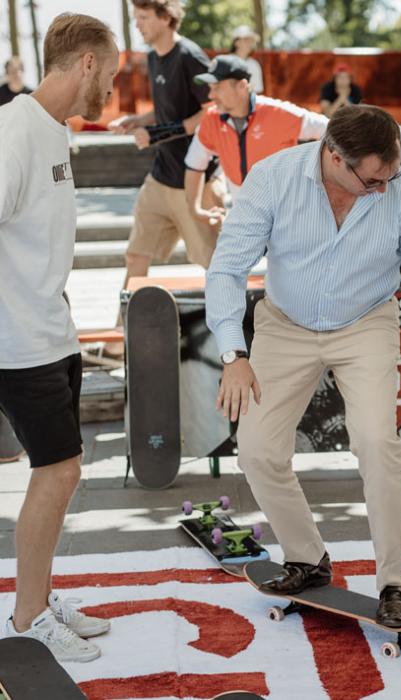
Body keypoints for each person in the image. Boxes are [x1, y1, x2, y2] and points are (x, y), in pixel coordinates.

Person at [206, 104, 401, 627]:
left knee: (378, 445)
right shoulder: (273, 178)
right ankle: (307, 558)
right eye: (374, 179)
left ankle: (393, 584)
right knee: (257, 451)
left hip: (366, 323)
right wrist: (233, 354)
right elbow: (226, 269)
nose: (385, 187)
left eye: (391, 174)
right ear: (334, 157)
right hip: (283, 325)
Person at [0, 13, 119, 661]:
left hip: (51, 330)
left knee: (61, 473)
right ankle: (26, 620)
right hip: (18, 341)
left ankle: (40, 597)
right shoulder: (15, 130)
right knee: (59, 471)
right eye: (113, 75)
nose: (112, 93)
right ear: (87, 65)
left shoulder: (49, 129)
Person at [108, 0, 225, 289]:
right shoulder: (153, 57)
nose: (138, 24)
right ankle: (125, 327)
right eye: (135, 18)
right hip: (160, 179)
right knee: (136, 255)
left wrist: (158, 133)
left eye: (144, 17)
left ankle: (231, 329)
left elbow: (214, 109)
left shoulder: (190, 56)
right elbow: (168, 110)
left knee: (217, 265)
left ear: (165, 18)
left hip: (197, 181)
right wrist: (138, 120)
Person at [184, 54, 328, 226]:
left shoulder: (277, 112)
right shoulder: (211, 120)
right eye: (210, 88)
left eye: (218, 88)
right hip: (245, 215)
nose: (211, 95)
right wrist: (194, 209)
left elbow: (331, 129)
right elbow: (194, 164)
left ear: (242, 86)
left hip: (289, 215)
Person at [230, 25, 263, 94]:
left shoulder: (254, 65)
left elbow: (256, 93)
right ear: (236, 42)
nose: (250, 43)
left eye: (251, 40)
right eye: (246, 40)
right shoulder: (224, 62)